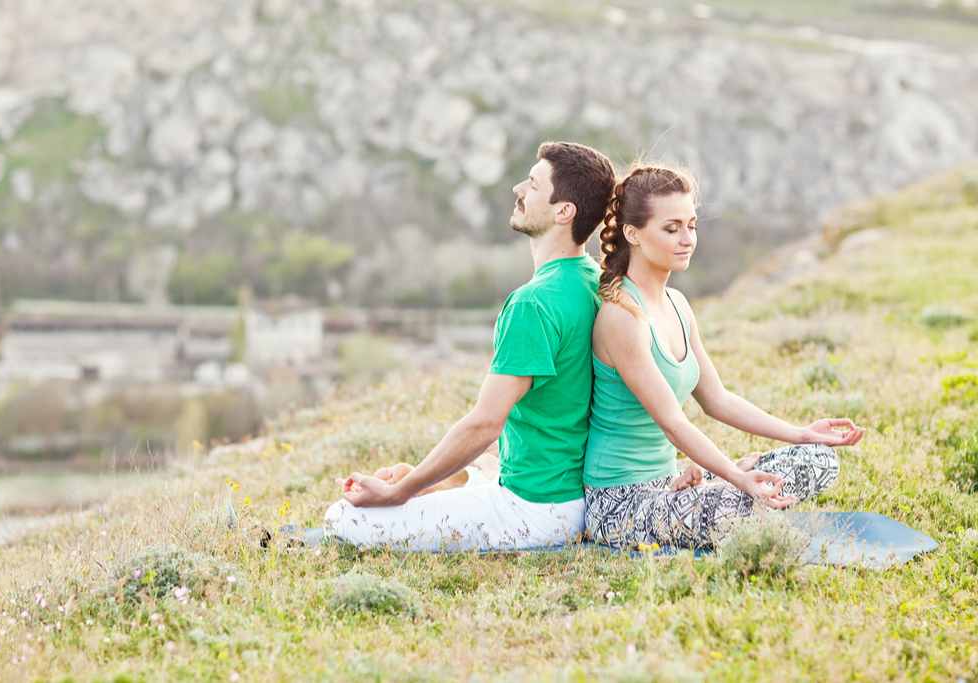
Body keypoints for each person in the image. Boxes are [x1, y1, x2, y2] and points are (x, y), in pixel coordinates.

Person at [324, 141, 617, 551]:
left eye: (532, 185)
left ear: (563, 211)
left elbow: (485, 424)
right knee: (480, 461)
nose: (518, 189)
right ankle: (440, 486)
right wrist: (425, 479)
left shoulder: (533, 303)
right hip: (568, 495)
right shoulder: (592, 280)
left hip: (532, 509)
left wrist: (401, 492)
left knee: (343, 517)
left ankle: (420, 491)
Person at [583, 161, 865, 550]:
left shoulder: (677, 304)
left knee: (819, 459)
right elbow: (673, 423)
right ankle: (728, 495)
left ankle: (720, 493)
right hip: (621, 506)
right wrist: (736, 476)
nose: (687, 239)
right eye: (671, 228)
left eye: (691, 225)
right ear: (632, 233)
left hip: (671, 484)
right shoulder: (621, 317)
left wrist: (802, 433)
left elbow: (717, 400)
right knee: (740, 500)